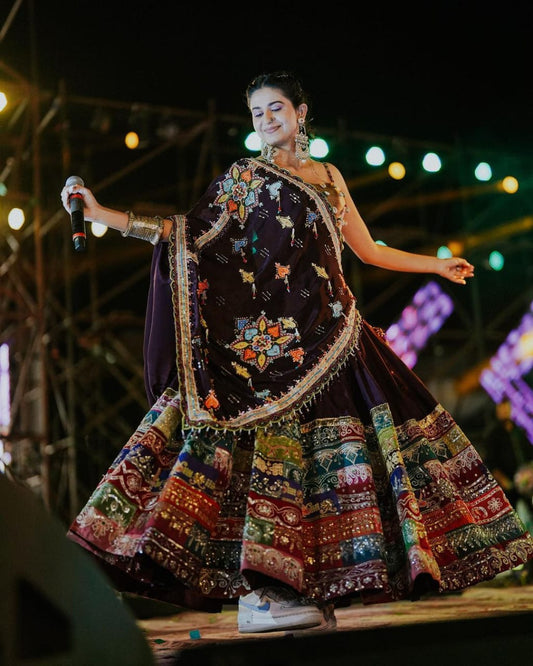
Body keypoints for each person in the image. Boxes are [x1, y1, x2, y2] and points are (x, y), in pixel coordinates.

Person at [60, 71, 533, 634]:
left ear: (302, 112)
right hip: (270, 354)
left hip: (335, 335)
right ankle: (265, 590)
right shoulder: (244, 179)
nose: (267, 120)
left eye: (276, 108)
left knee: (341, 465)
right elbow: (188, 233)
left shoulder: (329, 178)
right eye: (258, 113)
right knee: (267, 462)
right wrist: (101, 214)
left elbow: (368, 249)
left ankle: (310, 587)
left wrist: (434, 263)